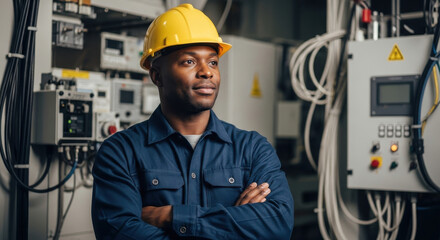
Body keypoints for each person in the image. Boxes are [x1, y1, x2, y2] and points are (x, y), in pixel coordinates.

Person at [91, 3, 294, 239]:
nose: (206, 72)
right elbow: (119, 233)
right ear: (157, 75)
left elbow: (277, 224)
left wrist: (171, 217)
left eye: (213, 62)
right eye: (189, 61)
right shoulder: (120, 152)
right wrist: (235, 222)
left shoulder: (252, 149)